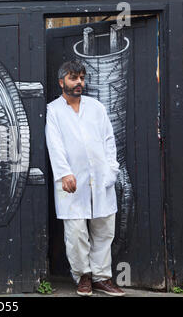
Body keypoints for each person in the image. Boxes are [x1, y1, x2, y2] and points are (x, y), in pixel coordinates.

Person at [45, 60, 125, 297]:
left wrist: (112, 169)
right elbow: (55, 145)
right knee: (76, 232)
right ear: (62, 82)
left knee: (104, 229)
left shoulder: (96, 107)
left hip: (101, 179)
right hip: (72, 181)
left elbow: (109, 140)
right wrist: (64, 173)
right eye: (73, 78)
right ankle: (83, 276)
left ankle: (102, 277)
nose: (79, 82)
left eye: (81, 77)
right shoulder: (54, 110)